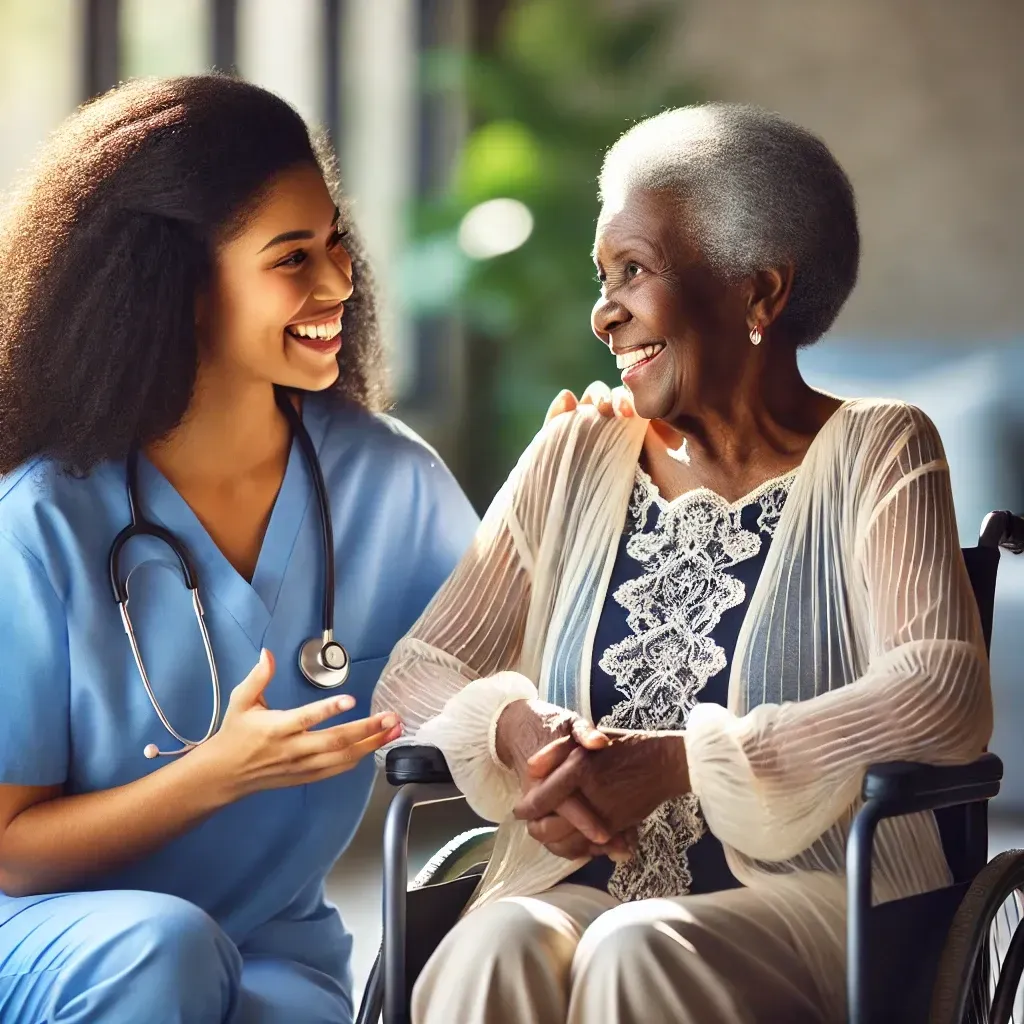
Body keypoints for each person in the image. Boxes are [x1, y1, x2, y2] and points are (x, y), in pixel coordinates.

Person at [0, 74, 612, 1024]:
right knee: (165, 951)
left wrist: (565, 489)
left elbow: (501, 679)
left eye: (334, 242)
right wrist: (215, 773)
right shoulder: (42, 519)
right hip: (48, 940)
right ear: (175, 284)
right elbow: (12, 851)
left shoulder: (387, 484)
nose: (338, 282)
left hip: (272, 951)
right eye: (291, 257)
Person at [372, 103, 993, 1024]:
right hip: (581, 884)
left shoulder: (880, 448)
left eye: (634, 270)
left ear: (760, 293)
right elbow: (412, 676)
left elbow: (942, 692)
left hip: (812, 898)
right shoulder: (575, 454)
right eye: (602, 276)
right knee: (494, 941)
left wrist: (683, 763)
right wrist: (518, 727)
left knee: (637, 951)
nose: (603, 310)